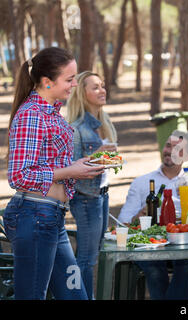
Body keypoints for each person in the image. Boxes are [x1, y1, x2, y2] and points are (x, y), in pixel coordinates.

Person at [3, 47, 104, 300]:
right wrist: (71, 170)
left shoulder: (52, 113)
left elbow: (50, 163)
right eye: (69, 79)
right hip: (35, 217)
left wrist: (80, 165)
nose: (74, 85)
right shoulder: (31, 115)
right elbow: (18, 176)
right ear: (47, 82)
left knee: (75, 295)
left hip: (51, 218)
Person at [118, 130, 188, 299]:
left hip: (183, 244)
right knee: (154, 268)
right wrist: (139, 216)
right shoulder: (142, 182)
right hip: (149, 245)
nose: (169, 151)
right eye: (168, 145)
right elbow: (123, 222)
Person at [65, 71, 118, 300]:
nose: (102, 90)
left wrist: (112, 159)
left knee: (96, 254)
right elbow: (72, 169)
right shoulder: (77, 128)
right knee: (86, 259)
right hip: (85, 199)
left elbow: (104, 162)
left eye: (102, 85)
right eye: (95, 87)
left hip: (102, 195)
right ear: (82, 93)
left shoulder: (103, 123)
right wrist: (99, 155)